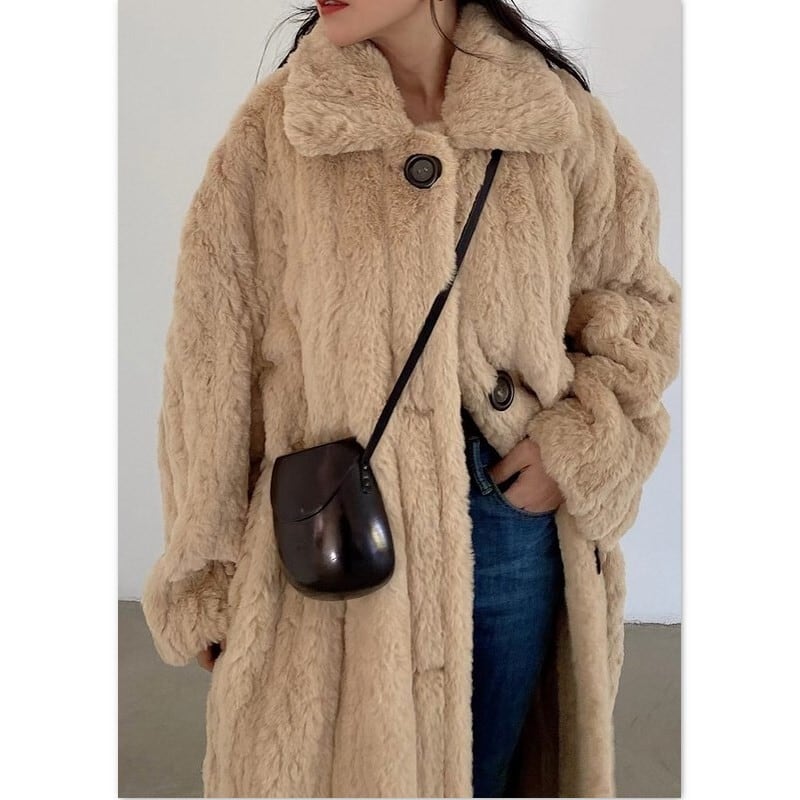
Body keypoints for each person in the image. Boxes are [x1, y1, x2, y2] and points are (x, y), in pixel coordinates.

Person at [141, 1, 681, 798]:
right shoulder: (277, 133)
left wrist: (581, 444)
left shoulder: (551, 117)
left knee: (491, 775)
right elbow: (209, 365)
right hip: (340, 534)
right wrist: (207, 576)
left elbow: (637, 304)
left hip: (510, 526)